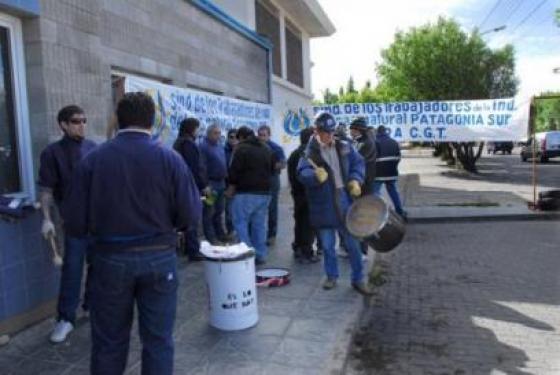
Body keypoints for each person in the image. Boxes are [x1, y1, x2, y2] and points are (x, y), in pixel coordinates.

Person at [65, 92, 201, 375]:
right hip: (159, 258)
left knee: (108, 343)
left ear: (118, 119)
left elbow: (75, 223)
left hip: (109, 260)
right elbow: (190, 215)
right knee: (159, 341)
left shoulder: (93, 160)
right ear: (152, 120)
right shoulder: (170, 159)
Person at [38, 105, 96, 343]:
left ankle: (91, 305)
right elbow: (46, 189)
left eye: (84, 120)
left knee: (99, 267)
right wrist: (46, 218)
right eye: (75, 121)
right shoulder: (52, 153)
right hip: (72, 224)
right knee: (72, 271)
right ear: (63, 124)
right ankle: (65, 319)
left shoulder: (94, 148)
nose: (81, 124)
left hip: (99, 222)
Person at [297, 112, 371, 295]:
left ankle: (358, 279)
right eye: (325, 132)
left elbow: (358, 163)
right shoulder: (308, 153)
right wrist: (314, 176)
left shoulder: (345, 146)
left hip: (345, 200)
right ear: (316, 131)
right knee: (328, 246)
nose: (329, 136)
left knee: (353, 245)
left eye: (331, 131)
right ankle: (331, 276)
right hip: (323, 204)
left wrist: (355, 180)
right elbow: (301, 174)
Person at [226, 126, 274, 265]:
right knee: (259, 225)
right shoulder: (266, 148)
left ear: (241, 137)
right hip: (265, 193)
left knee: (240, 223)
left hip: (245, 193)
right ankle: (260, 255)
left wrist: (231, 188)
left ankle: (245, 255)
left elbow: (234, 171)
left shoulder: (241, 149)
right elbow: (272, 169)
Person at [173, 117, 208, 261]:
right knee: (192, 218)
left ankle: (189, 247)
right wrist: (202, 185)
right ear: (191, 129)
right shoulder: (188, 144)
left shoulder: (180, 142)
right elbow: (194, 168)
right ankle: (193, 250)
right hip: (190, 186)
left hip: (183, 185)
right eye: (197, 128)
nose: (198, 131)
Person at [287, 127, 320, 263]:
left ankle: (298, 247)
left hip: (297, 193)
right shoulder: (310, 154)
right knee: (308, 224)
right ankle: (306, 252)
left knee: (300, 221)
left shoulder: (294, 153)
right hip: (309, 193)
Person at [349, 117, 378, 256]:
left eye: (352, 128)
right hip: (358, 185)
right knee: (356, 217)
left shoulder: (367, 143)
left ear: (358, 129)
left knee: (363, 218)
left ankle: (363, 251)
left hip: (365, 185)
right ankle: (355, 248)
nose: (350, 131)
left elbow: (356, 161)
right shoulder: (357, 142)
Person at [257, 125, 286, 246]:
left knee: (272, 208)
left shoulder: (276, 148)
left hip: (272, 179)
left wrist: (272, 164)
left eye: (264, 135)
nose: (262, 137)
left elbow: (283, 164)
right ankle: (259, 234)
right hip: (259, 180)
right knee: (259, 208)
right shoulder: (256, 147)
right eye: (260, 135)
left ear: (269, 135)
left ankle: (272, 235)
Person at [199, 124, 228, 244]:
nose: (218, 135)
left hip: (221, 183)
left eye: (219, 133)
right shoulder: (203, 147)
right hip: (209, 185)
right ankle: (211, 238)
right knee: (208, 212)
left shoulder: (219, 146)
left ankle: (220, 234)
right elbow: (201, 168)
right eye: (215, 133)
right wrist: (205, 185)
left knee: (219, 210)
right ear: (209, 133)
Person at [374, 125, 406, 219]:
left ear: (377, 133)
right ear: (386, 132)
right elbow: (398, 157)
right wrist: (393, 166)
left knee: (375, 193)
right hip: (392, 172)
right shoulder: (394, 142)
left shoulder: (376, 142)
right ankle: (399, 211)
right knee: (393, 192)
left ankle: (380, 212)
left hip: (379, 173)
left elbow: (374, 158)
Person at [224, 128, 238, 237]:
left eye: (236, 137)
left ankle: (233, 231)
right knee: (212, 208)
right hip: (220, 184)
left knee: (233, 210)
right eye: (231, 137)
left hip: (236, 185)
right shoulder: (222, 150)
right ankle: (229, 231)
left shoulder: (242, 150)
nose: (233, 139)